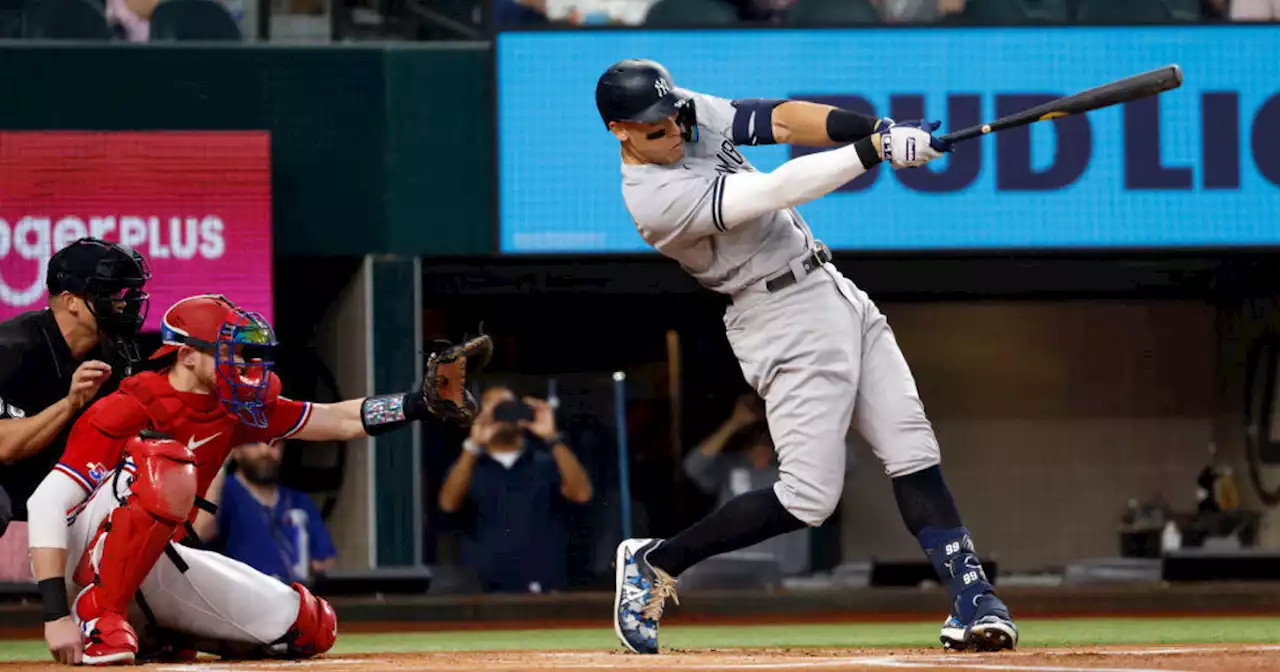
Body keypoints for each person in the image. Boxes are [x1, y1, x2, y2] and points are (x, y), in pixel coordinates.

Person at [596, 59, 1017, 654]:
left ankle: (973, 600)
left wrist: (880, 129)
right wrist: (876, 152)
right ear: (621, 130)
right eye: (654, 126)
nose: (673, 129)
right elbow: (775, 188)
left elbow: (785, 121)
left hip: (831, 285)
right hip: (777, 315)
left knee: (911, 445)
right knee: (807, 498)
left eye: (672, 115)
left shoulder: (685, 113)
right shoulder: (652, 199)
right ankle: (657, 561)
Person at [26, 293, 490, 666]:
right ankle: (97, 614)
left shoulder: (230, 408)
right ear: (186, 355)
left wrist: (417, 405)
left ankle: (156, 629)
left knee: (310, 626)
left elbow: (335, 420)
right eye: (229, 352)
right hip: (78, 559)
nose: (244, 364)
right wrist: (53, 615)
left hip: (154, 561)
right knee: (163, 460)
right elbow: (45, 505)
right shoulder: (128, 404)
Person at [0, 237, 150, 539]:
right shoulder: (11, 347)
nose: (121, 303)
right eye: (107, 294)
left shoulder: (114, 354)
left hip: (63, 484)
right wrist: (70, 403)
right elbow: (4, 447)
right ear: (70, 301)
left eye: (120, 293)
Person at [438, 386, 593, 594]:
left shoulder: (546, 462)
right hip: (483, 585)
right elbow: (448, 504)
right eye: (496, 409)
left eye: (508, 407)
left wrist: (552, 437)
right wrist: (474, 444)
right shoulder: (469, 466)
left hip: (541, 579)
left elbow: (581, 494)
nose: (503, 415)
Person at [682, 395, 810, 578]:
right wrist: (734, 423)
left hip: (785, 572)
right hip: (733, 571)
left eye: (768, 437)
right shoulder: (729, 466)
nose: (762, 444)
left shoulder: (797, 468)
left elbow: (847, 463)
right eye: (756, 437)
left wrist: (802, 419)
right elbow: (693, 466)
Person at [192, 441, 338, 585]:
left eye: (273, 443)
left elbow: (324, 560)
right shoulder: (224, 493)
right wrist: (218, 465)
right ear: (235, 451)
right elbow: (201, 532)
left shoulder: (298, 500)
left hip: (294, 599)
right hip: (241, 599)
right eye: (254, 443)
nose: (264, 450)